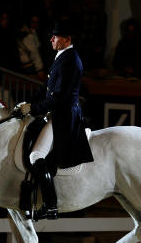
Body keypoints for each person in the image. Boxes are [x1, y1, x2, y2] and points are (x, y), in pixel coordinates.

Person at [18, 20, 94, 220]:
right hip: (57, 113)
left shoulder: (70, 60)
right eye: (52, 35)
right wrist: (28, 104)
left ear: (67, 39)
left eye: (56, 36)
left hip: (64, 117)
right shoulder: (62, 57)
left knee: (36, 156)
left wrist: (33, 108)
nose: (51, 39)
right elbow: (47, 88)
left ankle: (51, 205)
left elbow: (59, 97)